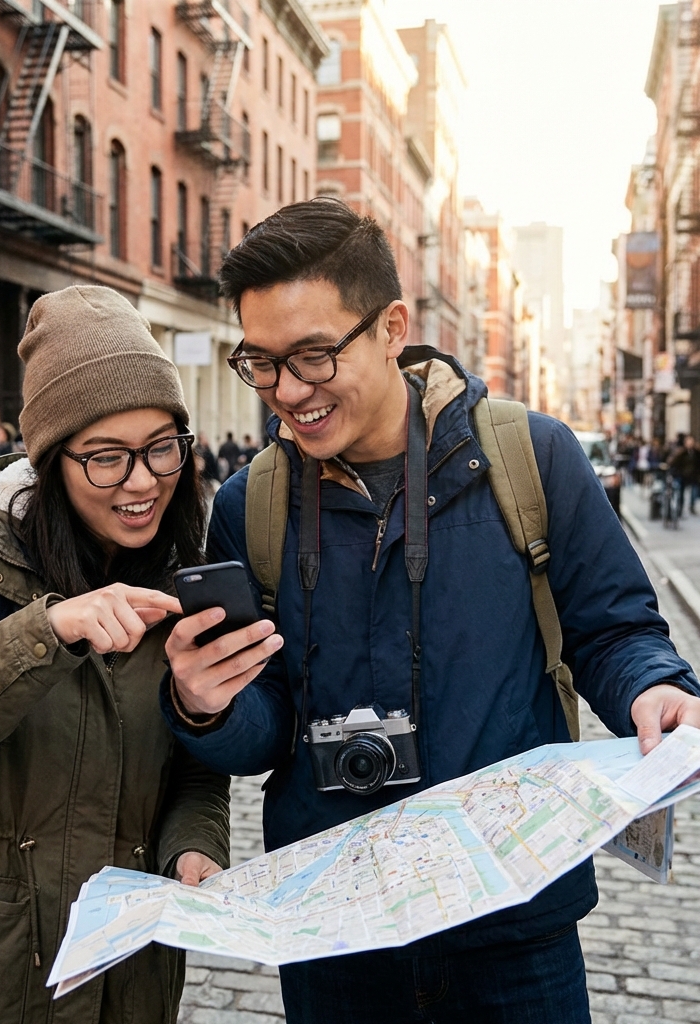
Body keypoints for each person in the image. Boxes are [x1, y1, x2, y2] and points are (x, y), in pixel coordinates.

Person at [159, 199, 700, 1024]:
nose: (287, 392)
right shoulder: (248, 503)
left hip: (515, 929)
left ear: (390, 327)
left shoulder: (535, 455)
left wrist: (651, 687)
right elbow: (264, 730)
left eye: (311, 356)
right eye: (260, 363)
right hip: (335, 936)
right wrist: (205, 705)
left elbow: (616, 629)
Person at [0, 285, 229, 1024]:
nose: (143, 480)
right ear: (53, 458)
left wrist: (193, 844)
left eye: (162, 447)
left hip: (124, 972)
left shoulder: (191, 567)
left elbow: (194, 771)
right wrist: (47, 631)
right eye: (107, 458)